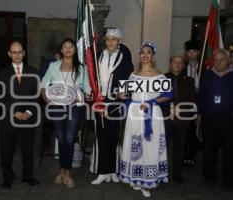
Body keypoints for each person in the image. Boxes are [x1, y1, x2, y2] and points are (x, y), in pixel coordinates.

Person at [119, 42, 171, 198]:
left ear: (153, 56)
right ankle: (136, 177)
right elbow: (126, 94)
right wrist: (122, 96)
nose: (145, 54)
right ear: (139, 55)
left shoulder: (160, 76)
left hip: (151, 114)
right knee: (134, 144)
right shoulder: (133, 75)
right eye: (142, 52)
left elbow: (167, 95)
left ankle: (147, 180)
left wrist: (151, 102)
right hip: (134, 114)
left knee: (150, 145)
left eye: (148, 52)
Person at [40, 38, 90, 188]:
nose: (68, 49)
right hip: (56, 106)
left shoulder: (81, 68)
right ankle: (62, 170)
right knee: (61, 138)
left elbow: (87, 88)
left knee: (69, 138)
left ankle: (67, 173)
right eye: (65, 47)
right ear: (61, 50)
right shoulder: (53, 66)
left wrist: (87, 95)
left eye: (71, 47)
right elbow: (44, 83)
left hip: (74, 106)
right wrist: (44, 95)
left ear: (74, 50)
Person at [90, 28, 134, 185]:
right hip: (99, 102)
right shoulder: (97, 57)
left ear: (119, 42)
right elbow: (92, 78)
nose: (110, 42)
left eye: (114, 39)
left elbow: (129, 81)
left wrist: (125, 93)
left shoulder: (125, 59)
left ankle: (113, 170)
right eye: (108, 39)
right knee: (101, 137)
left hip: (116, 104)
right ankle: (102, 171)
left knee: (114, 138)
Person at [0, 41, 39, 189]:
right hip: (9, 118)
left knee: (28, 149)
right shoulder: (2, 73)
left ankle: (28, 176)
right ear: (9, 54)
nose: (17, 55)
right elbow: (1, 96)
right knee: (7, 149)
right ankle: (7, 177)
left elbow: (36, 95)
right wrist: (14, 112)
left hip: (28, 118)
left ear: (24, 53)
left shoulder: (33, 71)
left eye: (19, 52)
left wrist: (28, 112)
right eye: (14, 52)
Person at [198, 49, 233, 191]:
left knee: (229, 151)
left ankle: (228, 180)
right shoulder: (207, 75)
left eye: (222, 59)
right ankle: (209, 177)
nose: (218, 62)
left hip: (229, 120)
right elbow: (201, 95)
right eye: (216, 59)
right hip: (209, 119)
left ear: (229, 60)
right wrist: (199, 115)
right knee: (209, 150)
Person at [162, 55, 196, 182]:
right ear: (170, 64)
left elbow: (192, 100)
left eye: (180, 63)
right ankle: (162, 172)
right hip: (165, 118)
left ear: (183, 65)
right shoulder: (162, 79)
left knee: (180, 147)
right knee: (163, 147)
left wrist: (180, 108)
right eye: (174, 62)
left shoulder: (190, 81)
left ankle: (177, 173)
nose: (177, 65)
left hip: (182, 120)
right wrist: (169, 106)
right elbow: (157, 98)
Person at [182, 39, 202, 167]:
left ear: (199, 52)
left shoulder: (205, 67)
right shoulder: (183, 67)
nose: (192, 54)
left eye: (194, 51)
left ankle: (192, 156)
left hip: (199, 103)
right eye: (189, 52)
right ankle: (184, 156)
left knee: (196, 130)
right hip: (185, 104)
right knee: (185, 131)